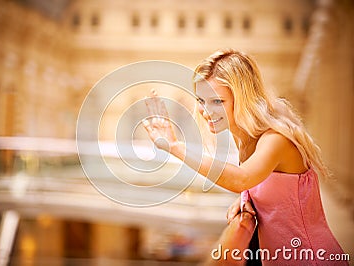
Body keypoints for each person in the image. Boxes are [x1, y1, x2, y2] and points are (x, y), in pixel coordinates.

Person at [142, 49, 347, 265]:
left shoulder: (275, 139)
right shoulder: (245, 140)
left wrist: (176, 148)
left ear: (243, 98)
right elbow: (267, 190)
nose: (205, 110)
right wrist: (246, 200)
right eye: (201, 100)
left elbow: (242, 179)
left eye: (217, 101)